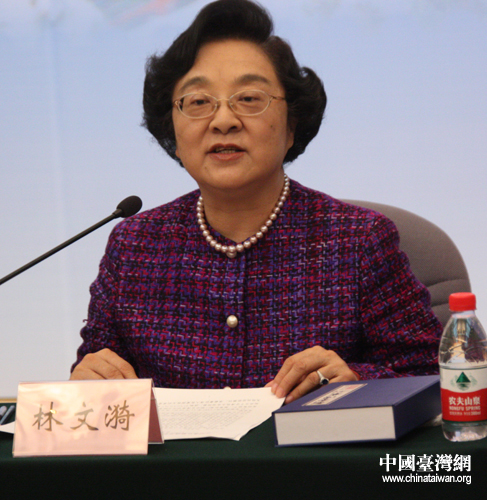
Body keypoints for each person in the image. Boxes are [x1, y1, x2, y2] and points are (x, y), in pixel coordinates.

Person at [70, 0, 442, 404]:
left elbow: (431, 373)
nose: (223, 121)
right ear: (172, 132)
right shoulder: (133, 248)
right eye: (198, 102)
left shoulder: (357, 240)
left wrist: (355, 380)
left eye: (248, 98)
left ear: (292, 125)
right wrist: (87, 382)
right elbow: (95, 381)